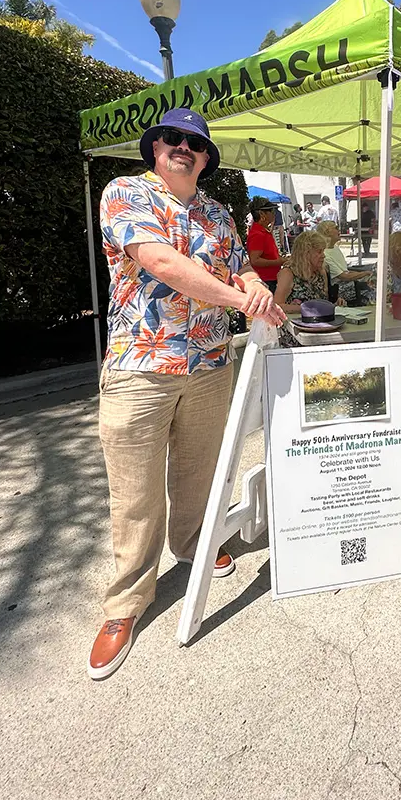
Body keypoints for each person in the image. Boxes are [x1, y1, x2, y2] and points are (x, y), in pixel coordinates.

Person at [89, 109, 285, 680]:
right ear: (156, 148)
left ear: (204, 157)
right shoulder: (125, 192)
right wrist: (239, 297)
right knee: (136, 493)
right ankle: (127, 603)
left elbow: (243, 268)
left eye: (195, 143)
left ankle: (195, 544)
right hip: (141, 366)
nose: (183, 148)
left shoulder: (220, 213)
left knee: (201, 472)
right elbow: (162, 263)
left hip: (209, 365)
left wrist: (255, 287)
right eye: (172, 139)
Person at [316, 220, 372, 303]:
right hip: (340, 289)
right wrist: (365, 273)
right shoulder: (325, 255)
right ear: (327, 232)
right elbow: (343, 276)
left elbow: (346, 271)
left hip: (347, 283)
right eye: (336, 228)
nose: (339, 230)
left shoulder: (335, 248)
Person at [246, 197, 288, 291]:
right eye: (271, 211)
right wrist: (279, 261)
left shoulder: (263, 231)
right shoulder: (258, 234)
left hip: (271, 278)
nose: (274, 213)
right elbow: (255, 260)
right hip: (265, 280)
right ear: (262, 214)